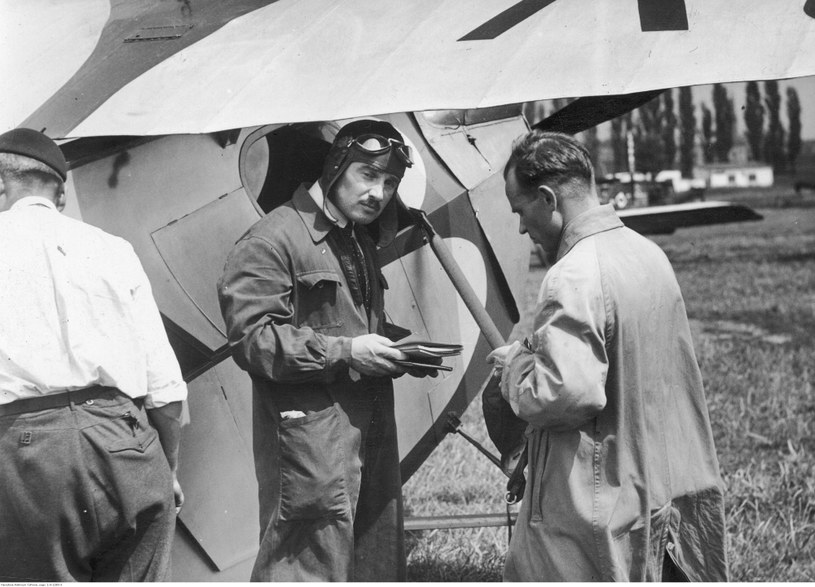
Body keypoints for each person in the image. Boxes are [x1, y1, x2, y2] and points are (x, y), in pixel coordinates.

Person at [488, 130, 728, 581]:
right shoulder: (647, 252)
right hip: (662, 491)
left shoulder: (573, 274)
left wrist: (515, 367)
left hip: (597, 509)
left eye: (520, 211)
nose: (521, 227)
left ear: (546, 198)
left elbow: (564, 395)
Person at [218, 119, 428, 581]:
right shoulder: (270, 240)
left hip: (368, 428)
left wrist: (399, 347)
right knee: (305, 566)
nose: (379, 193)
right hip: (309, 443)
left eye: (390, 182)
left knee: (372, 561)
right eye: (368, 175)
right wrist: (347, 351)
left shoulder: (354, 238)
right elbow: (254, 340)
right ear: (335, 169)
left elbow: (350, 321)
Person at [0, 128, 188, 582]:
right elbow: (165, 388)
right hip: (129, 445)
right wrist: (167, 470)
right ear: (60, 195)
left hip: (28, 454)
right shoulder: (112, 248)